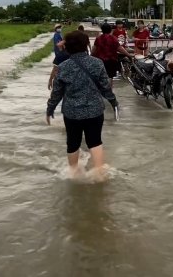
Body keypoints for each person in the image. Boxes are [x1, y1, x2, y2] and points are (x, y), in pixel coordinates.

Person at [46, 31, 118, 179]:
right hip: (95, 111)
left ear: (67, 47)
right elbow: (106, 87)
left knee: (72, 143)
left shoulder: (63, 66)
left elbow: (57, 92)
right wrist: (114, 102)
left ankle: (73, 174)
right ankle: (99, 173)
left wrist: (50, 108)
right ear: (86, 45)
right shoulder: (97, 63)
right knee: (95, 141)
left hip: (71, 113)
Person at [92, 23, 133, 88]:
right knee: (110, 76)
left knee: (101, 76)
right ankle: (109, 90)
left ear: (102, 30)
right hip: (111, 60)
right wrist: (128, 55)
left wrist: (91, 57)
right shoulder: (113, 38)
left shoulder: (98, 38)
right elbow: (119, 48)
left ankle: (102, 90)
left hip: (100, 61)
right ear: (110, 30)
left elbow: (94, 49)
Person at [48, 24, 69, 90]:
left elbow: (55, 69)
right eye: (58, 27)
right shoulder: (56, 35)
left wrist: (50, 80)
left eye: (60, 27)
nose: (59, 28)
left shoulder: (60, 34)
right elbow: (58, 44)